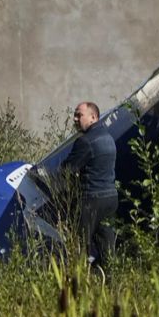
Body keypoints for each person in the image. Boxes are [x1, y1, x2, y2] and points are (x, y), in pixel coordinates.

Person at [60, 101, 118, 267]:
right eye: (75, 115)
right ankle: (111, 283)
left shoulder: (85, 141)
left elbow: (67, 170)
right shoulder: (108, 138)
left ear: (93, 117)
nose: (75, 119)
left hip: (92, 200)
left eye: (79, 115)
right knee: (107, 246)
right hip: (111, 198)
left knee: (79, 245)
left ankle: (79, 281)